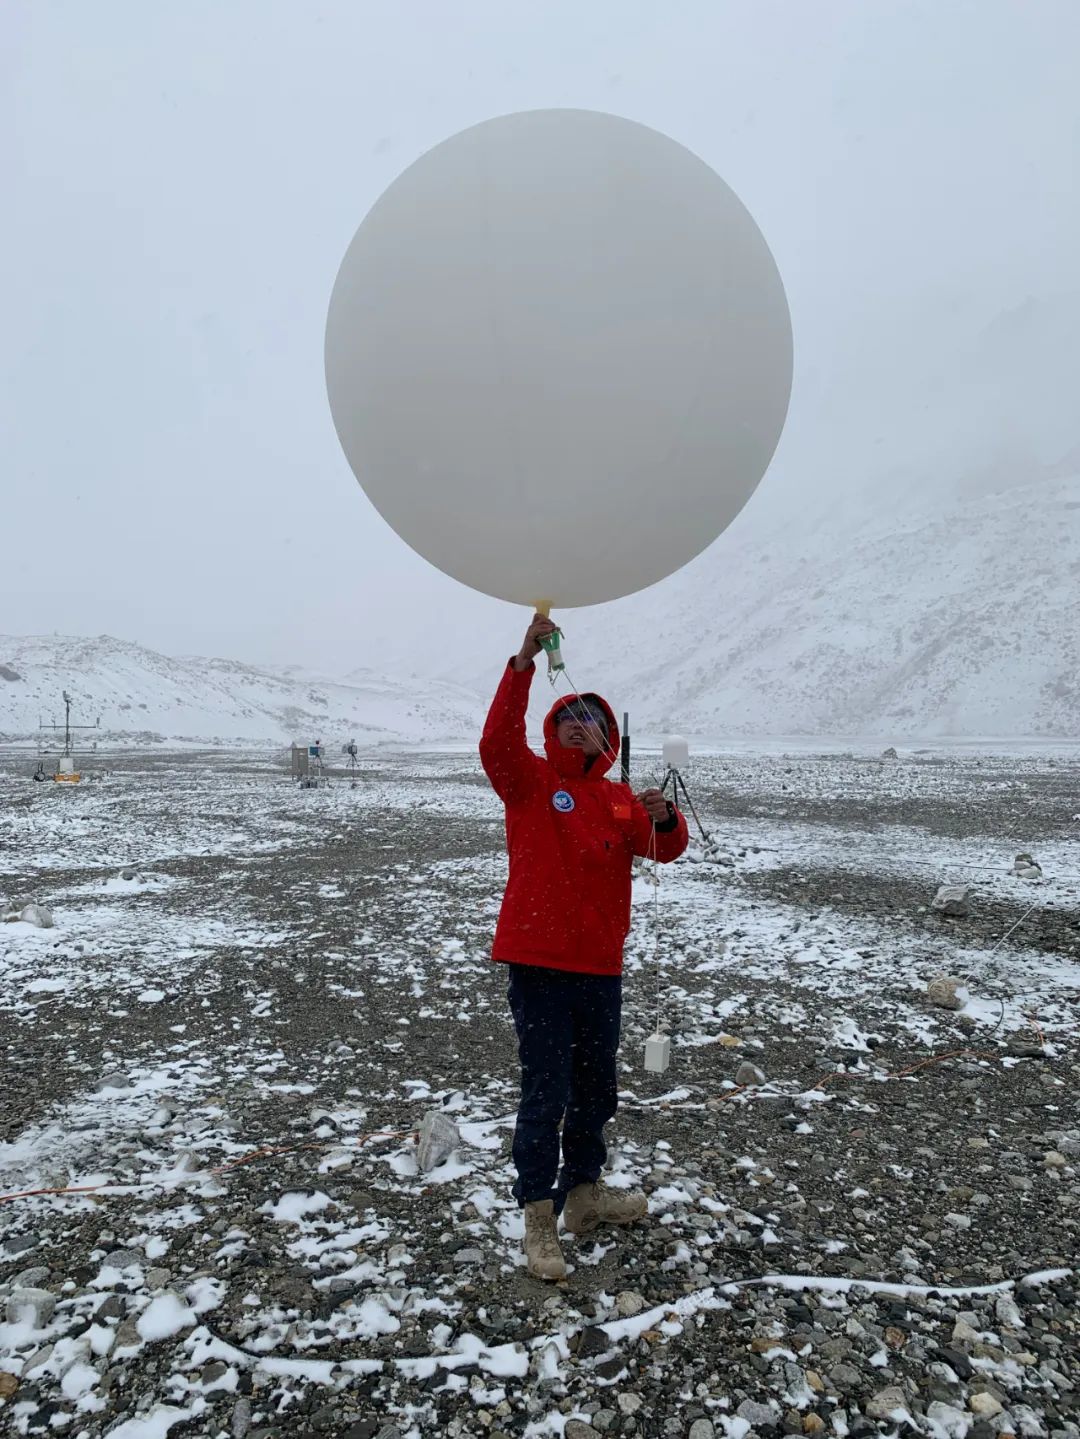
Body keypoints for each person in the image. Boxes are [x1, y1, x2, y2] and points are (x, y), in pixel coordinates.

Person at [480, 613, 689, 1281]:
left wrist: (665, 817)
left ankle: (585, 1193)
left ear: (607, 735)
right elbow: (495, 744)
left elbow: (664, 849)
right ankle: (538, 1214)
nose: (577, 723)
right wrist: (522, 663)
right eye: (567, 715)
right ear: (552, 728)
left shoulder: (618, 798)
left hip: (600, 967)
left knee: (596, 1086)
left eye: (590, 717)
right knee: (546, 1089)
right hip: (540, 964)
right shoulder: (530, 781)